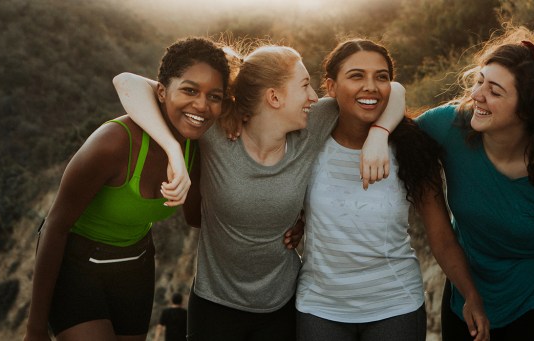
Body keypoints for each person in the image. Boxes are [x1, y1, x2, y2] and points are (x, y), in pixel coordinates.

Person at [113, 43, 404, 341]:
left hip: (282, 305)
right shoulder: (216, 129)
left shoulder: (313, 123)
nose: (314, 97)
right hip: (215, 304)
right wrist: (173, 150)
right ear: (274, 97)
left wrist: (379, 136)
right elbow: (126, 82)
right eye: (305, 86)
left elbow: (393, 90)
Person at [23, 37, 233, 341]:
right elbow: (54, 226)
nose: (201, 105)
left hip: (136, 267)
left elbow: (195, 217)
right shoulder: (113, 143)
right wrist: (35, 328)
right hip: (78, 265)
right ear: (161, 91)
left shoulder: (197, 148)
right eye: (189, 90)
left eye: (214, 96)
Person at [295, 38, 489, 341]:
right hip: (319, 306)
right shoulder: (308, 138)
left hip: (395, 304)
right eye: (356, 75)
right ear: (331, 87)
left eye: (381, 77)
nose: (370, 86)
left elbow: (441, 237)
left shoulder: (412, 147)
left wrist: (471, 295)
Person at [415, 25, 534, 341]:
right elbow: (388, 110)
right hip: (465, 299)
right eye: (479, 81)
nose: (476, 96)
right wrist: (379, 137)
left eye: (494, 91)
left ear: (529, 110)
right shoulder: (450, 126)